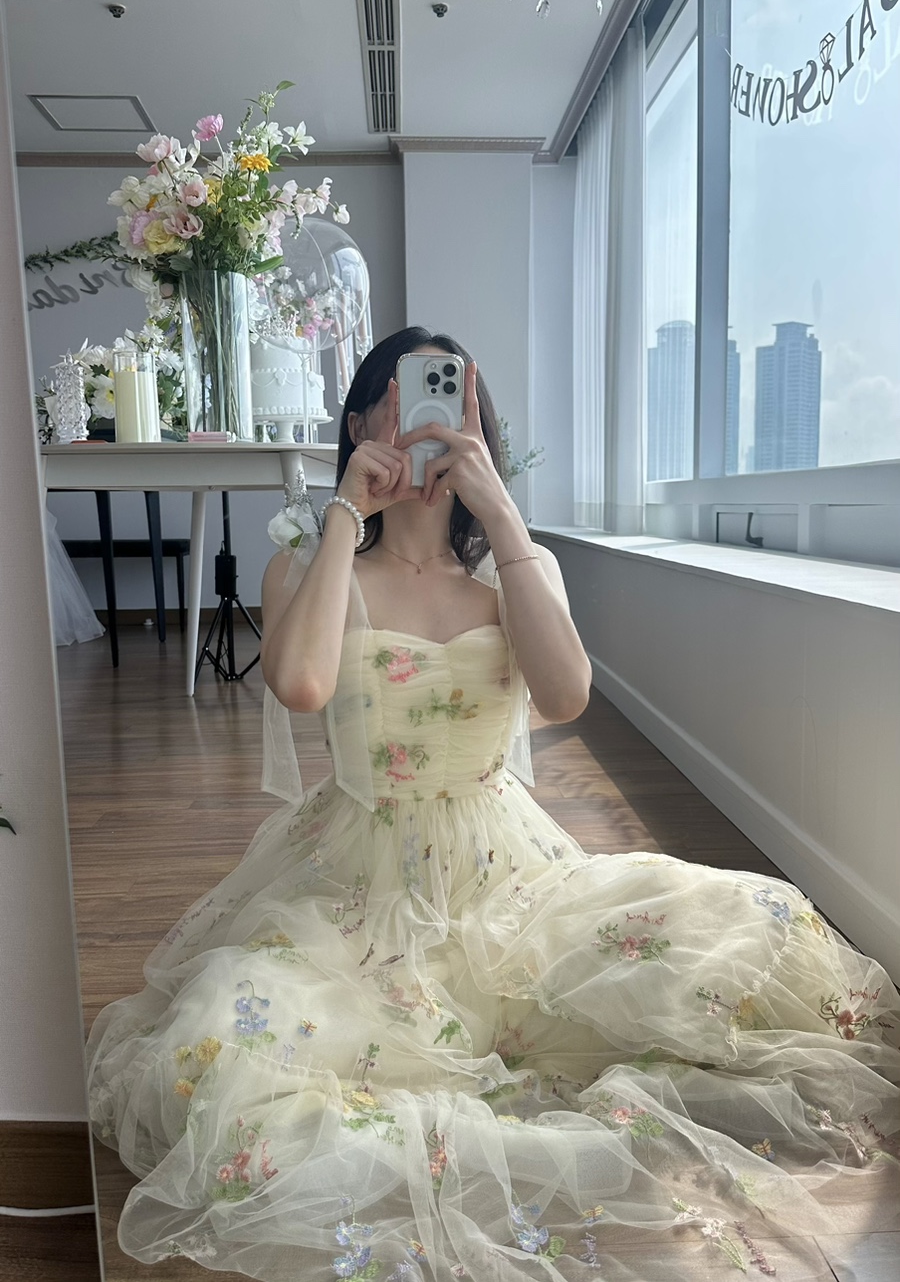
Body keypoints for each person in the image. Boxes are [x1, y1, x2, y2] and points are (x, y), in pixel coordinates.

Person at [88, 328, 900, 1282]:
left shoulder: (515, 570)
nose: (421, 424)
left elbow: (565, 696)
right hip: (357, 868)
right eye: (398, 402)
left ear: (479, 427)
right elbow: (300, 686)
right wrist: (346, 511)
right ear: (359, 424)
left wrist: (503, 517)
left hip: (502, 864)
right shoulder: (311, 568)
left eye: (445, 401)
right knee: (231, 1035)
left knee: (741, 928)